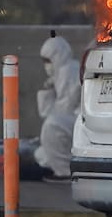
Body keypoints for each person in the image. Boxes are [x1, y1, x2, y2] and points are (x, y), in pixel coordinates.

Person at [34, 31, 82, 182]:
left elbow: (62, 111)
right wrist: (47, 91)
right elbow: (46, 113)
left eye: (48, 61)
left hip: (80, 121)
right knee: (41, 154)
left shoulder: (69, 72)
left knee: (52, 126)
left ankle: (64, 173)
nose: (46, 66)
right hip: (72, 121)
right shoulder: (59, 75)